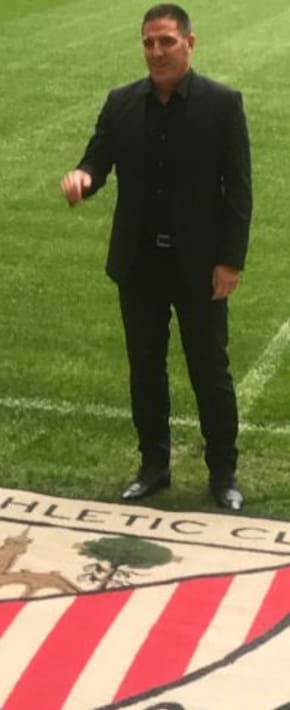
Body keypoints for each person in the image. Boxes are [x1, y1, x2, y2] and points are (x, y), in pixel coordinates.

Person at [60, 4, 252, 511]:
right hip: (139, 263)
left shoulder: (222, 104)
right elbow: (97, 159)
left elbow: (238, 190)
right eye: (149, 42)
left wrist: (230, 261)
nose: (157, 51)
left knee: (209, 369)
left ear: (189, 42)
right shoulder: (121, 103)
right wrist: (83, 179)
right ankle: (153, 466)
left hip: (200, 266)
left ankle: (223, 472)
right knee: (145, 368)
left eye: (166, 41)